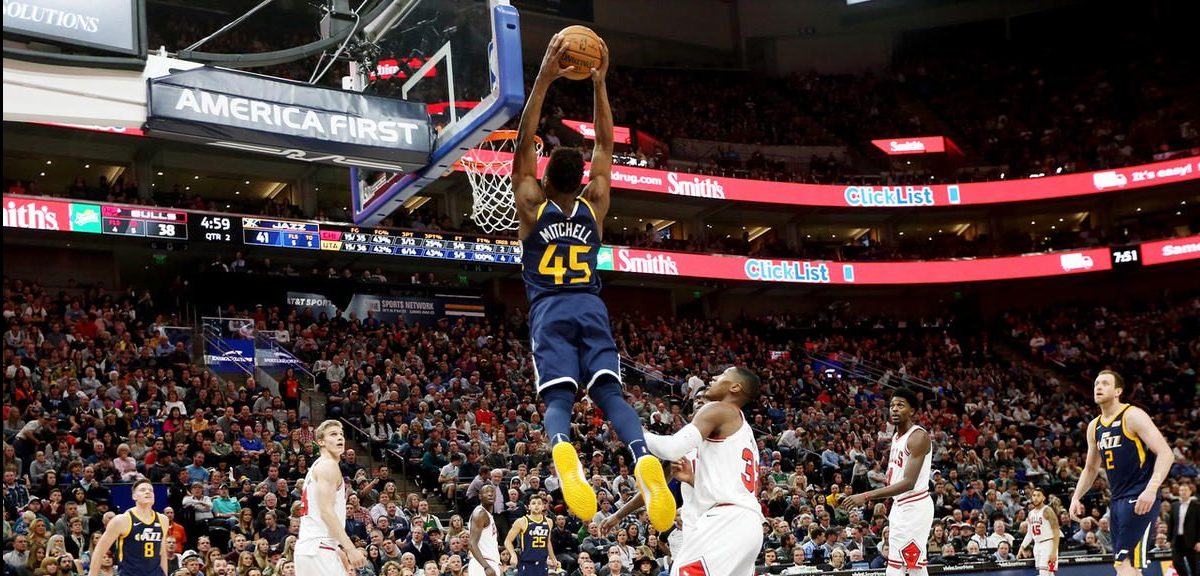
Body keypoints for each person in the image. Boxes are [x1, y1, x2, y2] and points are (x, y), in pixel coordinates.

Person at [510, 31, 672, 532]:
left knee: (558, 399)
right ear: (583, 177)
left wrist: (543, 78)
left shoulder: (531, 206)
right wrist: (599, 80)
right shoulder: (595, 204)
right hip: (591, 307)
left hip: (550, 309)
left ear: (543, 176)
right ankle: (642, 454)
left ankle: (564, 451)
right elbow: (604, 141)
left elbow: (522, 141)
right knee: (611, 396)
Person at [640, 367, 764, 576]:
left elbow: (671, 448)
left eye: (723, 375)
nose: (714, 378)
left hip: (726, 520)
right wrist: (695, 480)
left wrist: (636, 431)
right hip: (748, 522)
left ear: (735, 387)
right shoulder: (745, 433)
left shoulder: (721, 409)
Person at [1070, 370, 1175, 576]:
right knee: (1129, 567)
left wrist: (1151, 489)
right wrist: (1076, 496)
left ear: (1118, 391)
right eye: (1096, 383)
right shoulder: (1094, 426)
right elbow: (1091, 468)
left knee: (1122, 564)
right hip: (1117, 500)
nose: (1098, 387)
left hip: (1139, 498)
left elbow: (1166, 453)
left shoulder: (1132, 415)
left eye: (1105, 383)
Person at [600, 386, 710, 558]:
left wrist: (635, 429)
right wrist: (618, 515)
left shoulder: (727, 442)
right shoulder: (684, 446)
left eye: (707, 398)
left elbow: (726, 491)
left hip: (719, 522)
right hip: (693, 526)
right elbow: (653, 487)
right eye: (697, 398)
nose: (700, 401)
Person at [842, 388, 934, 576]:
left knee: (910, 564)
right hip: (901, 504)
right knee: (904, 563)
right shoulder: (896, 437)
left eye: (900, 405)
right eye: (892, 405)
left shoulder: (918, 436)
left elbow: (908, 482)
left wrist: (866, 495)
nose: (894, 409)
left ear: (912, 411)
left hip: (914, 503)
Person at [294, 420, 366, 575]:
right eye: (333, 434)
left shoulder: (317, 466)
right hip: (319, 548)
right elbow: (326, 512)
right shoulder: (328, 466)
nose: (340, 438)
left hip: (311, 548)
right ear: (320, 441)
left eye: (341, 434)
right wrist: (351, 549)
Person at [87, 479, 169, 576]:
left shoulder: (163, 519)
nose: (148, 492)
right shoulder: (122, 520)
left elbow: (162, 553)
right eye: (142, 490)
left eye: (151, 490)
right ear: (134, 496)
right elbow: (99, 551)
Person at [503, 494, 558, 576]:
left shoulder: (549, 522)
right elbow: (507, 541)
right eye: (533, 503)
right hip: (527, 563)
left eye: (539, 503)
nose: (536, 505)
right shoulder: (521, 521)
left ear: (543, 506)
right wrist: (513, 554)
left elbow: (548, 542)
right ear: (529, 506)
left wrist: (553, 559)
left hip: (542, 564)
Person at [1018, 488, 1060, 576]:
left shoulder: (1047, 510)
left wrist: (1053, 551)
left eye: (1038, 495)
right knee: (1048, 574)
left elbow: (1056, 531)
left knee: (1044, 573)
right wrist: (1022, 546)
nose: (1035, 498)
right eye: (1034, 495)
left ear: (1044, 498)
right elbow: (1029, 534)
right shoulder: (1031, 513)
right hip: (1037, 545)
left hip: (1048, 544)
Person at [1167, 481, 1199, 576]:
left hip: (1192, 541)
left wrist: (1199, 541)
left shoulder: (1197, 506)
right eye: (1181, 490)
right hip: (1177, 540)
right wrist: (1169, 539)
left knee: (1194, 566)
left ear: (1190, 492)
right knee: (1176, 563)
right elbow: (1171, 524)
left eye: (1185, 490)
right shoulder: (1174, 505)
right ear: (1178, 492)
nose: (1183, 492)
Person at [468, 485, 500, 576]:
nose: (490, 494)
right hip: (482, 563)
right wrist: (486, 567)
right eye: (486, 492)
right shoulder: (480, 514)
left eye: (492, 492)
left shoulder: (487, 514)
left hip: (490, 561)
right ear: (480, 496)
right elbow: (471, 544)